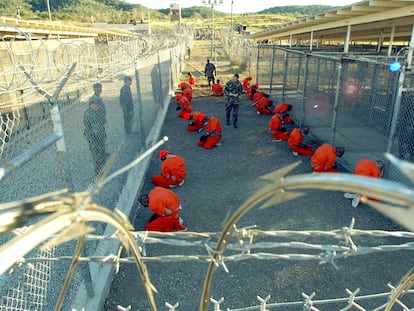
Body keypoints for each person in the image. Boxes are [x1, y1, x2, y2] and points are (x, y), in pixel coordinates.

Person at [84, 83, 107, 175]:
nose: (98, 107)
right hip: (94, 136)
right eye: (97, 105)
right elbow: (96, 128)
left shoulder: (94, 111)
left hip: (98, 134)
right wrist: (103, 140)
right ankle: (98, 173)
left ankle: (101, 170)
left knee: (100, 153)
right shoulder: (91, 113)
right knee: (97, 155)